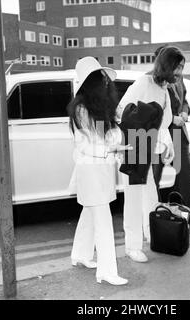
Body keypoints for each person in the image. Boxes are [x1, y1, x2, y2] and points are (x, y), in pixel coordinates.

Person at [67, 57, 132, 286]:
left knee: (89, 216)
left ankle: (80, 255)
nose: (107, 82)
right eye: (102, 78)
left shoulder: (99, 108)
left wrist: (114, 146)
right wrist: (110, 149)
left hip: (100, 171)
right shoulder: (82, 109)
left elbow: (107, 138)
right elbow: (83, 145)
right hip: (91, 173)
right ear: (92, 82)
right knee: (103, 221)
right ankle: (107, 271)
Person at [116, 46, 184, 263]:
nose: (180, 72)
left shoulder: (164, 88)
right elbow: (121, 110)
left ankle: (151, 234)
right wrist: (143, 131)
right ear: (167, 65)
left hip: (150, 148)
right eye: (178, 67)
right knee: (134, 199)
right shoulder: (143, 82)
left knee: (151, 196)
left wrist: (166, 144)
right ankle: (132, 246)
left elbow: (165, 121)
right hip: (136, 147)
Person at [153, 45, 190, 228]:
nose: (178, 69)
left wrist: (183, 113)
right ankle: (153, 218)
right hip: (158, 134)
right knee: (153, 178)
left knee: (185, 174)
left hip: (177, 134)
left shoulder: (179, 77)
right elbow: (150, 108)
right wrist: (171, 118)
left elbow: (184, 101)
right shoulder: (151, 79)